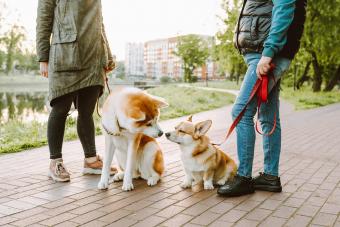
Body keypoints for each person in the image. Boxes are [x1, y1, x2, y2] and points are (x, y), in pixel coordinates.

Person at [218, 0, 307, 197]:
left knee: (241, 111)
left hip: (265, 54)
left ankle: (244, 178)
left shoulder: (268, 52)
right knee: (267, 117)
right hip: (260, 53)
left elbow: (284, 7)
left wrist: (269, 52)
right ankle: (270, 176)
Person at [36, 0, 116, 182]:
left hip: (93, 57)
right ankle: (55, 162)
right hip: (65, 55)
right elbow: (44, 20)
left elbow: (100, 24)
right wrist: (43, 57)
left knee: (87, 113)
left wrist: (108, 57)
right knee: (60, 109)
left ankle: (91, 161)